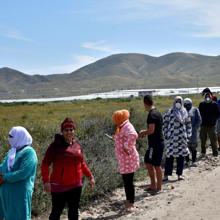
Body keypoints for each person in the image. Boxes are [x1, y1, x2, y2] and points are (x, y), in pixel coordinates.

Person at [41, 118, 95, 220]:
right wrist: (46, 181)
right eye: (66, 130)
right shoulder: (54, 146)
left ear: (74, 130)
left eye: (71, 129)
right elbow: (45, 164)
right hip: (59, 186)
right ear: (62, 131)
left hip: (76, 185)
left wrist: (90, 176)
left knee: (74, 210)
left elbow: (82, 163)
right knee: (57, 211)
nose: (69, 132)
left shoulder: (77, 145)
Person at [0, 126, 38, 220]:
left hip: (20, 193)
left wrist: (4, 177)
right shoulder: (12, 151)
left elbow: (23, 172)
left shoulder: (29, 152)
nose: (9, 139)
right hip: (7, 193)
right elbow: (3, 167)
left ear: (20, 136)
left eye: (11, 136)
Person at [112, 110, 139, 211]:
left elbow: (133, 135)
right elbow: (124, 137)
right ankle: (128, 202)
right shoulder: (123, 126)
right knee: (127, 181)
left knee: (128, 182)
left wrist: (126, 146)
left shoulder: (127, 126)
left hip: (128, 159)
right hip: (124, 159)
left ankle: (130, 204)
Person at [139, 95, 164, 193]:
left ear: (145, 103)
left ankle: (157, 187)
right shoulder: (157, 112)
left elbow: (151, 130)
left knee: (154, 164)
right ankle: (155, 186)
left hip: (155, 143)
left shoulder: (152, 115)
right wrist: (147, 132)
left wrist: (143, 132)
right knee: (150, 162)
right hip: (158, 142)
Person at [163, 96, 192, 181]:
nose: (178, 102)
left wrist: (188, 136)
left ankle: (179, 175)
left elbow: (188, 125)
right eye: (177, 101)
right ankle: (166, 175)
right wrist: (166, 134)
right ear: (174, 102)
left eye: (180, 101)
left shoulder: (185, 112)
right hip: (171, 139)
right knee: (169, 157)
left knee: (181, 157)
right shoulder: (169, 112)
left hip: (181, 139)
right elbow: (165, 124)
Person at [199, 92, 220, 157]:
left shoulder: (214, 104)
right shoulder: (201, 104)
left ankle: (215, 153)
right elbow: (199, 113)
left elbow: (218, 114)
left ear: (211, 97)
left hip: (212, 126)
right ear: (205, 97)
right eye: (206, 97)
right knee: (203, 140)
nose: (207, 98)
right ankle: (203, 152)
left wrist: (213, 119)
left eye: (209, 97)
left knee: (213, 140)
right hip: (203, 125)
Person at [184, 98, 202, 165]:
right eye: (186, 103)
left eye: (188, 103)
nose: (187, 105)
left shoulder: (195, 109)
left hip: (193, 132)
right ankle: (187, 161)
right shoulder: (182, 110)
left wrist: (195, 127)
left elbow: (199, 120)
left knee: (193, 147)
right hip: (185, 132)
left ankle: (194, 161)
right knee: (186, 147)